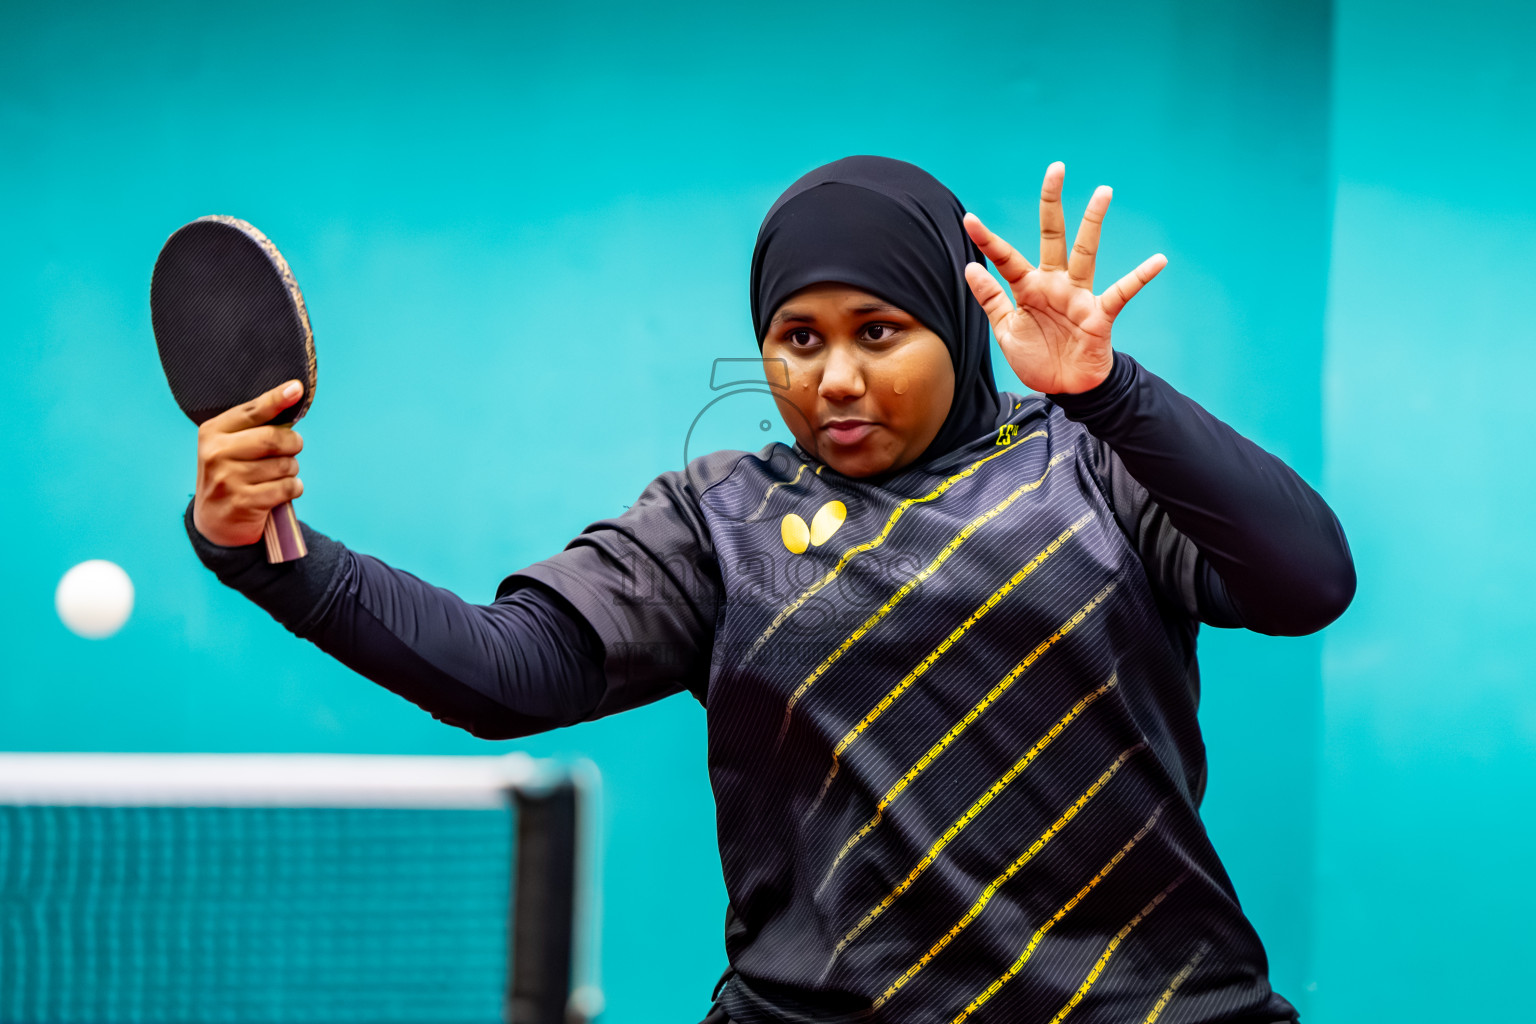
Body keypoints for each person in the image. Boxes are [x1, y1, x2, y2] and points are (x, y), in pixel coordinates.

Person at [185, 155, 1354, 1024]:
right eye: (797, 338)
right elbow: (510, 671)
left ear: (957, 323)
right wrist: (270, 553)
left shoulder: (1092, 462)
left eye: (879, 331)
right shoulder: (716, 518)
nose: (835, 377)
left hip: (1152, 1007)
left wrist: (1107, 391)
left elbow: (1307, 583)